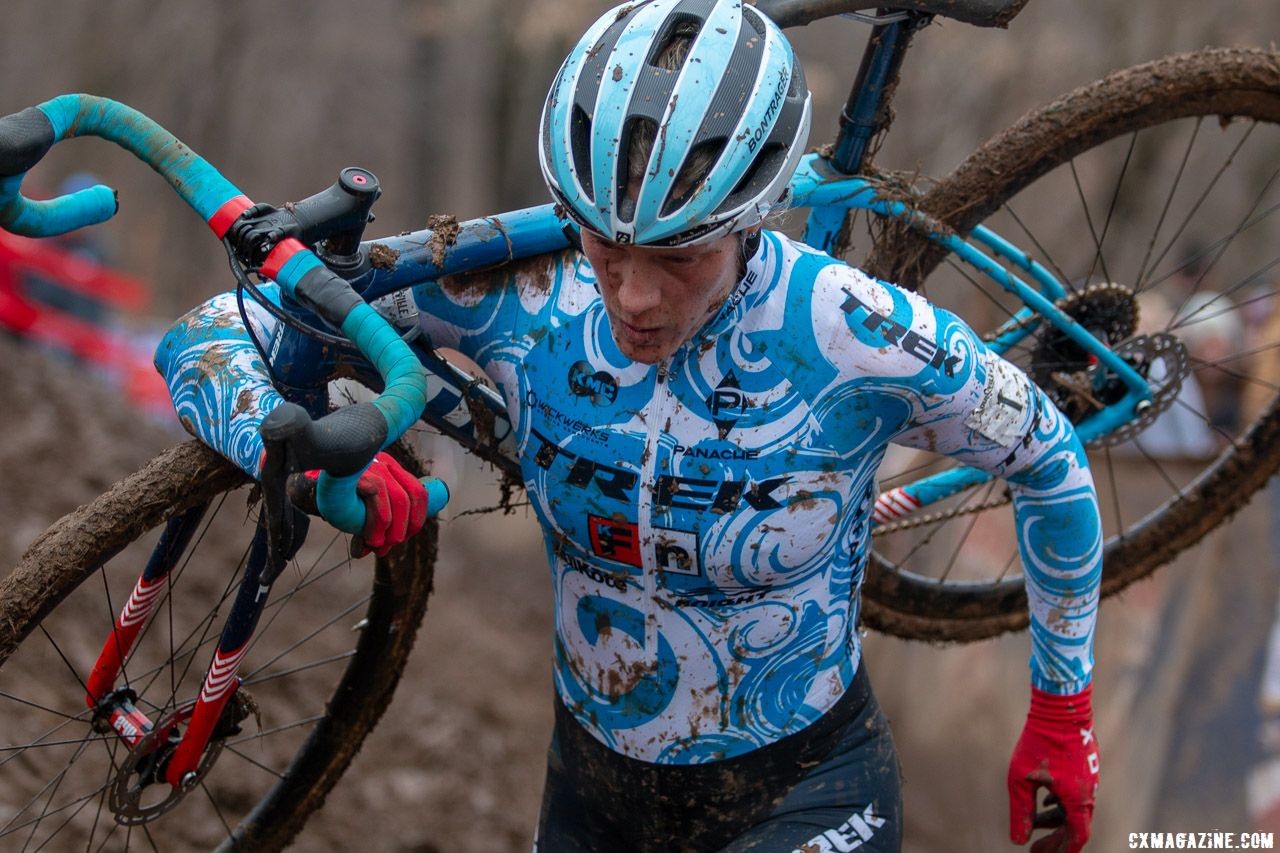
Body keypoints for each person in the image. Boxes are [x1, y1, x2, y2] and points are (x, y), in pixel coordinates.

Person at [155, 1, 1103, 849]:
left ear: (752, 218)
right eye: (608, 247)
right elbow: (209, 334)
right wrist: (305, 447)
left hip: (809, 794)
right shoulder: (520, 292)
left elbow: (1052, 460)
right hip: (594, 790)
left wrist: (1062, 712)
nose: (635, 296)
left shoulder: (859, 332)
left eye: (680, 256)